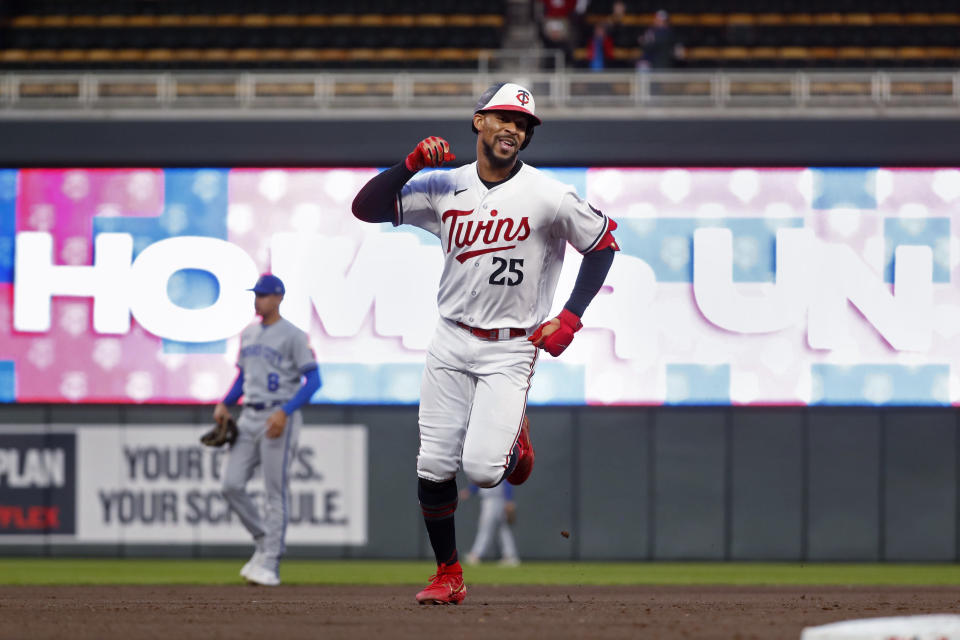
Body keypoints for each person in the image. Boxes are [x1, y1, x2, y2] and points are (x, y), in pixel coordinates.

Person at [351, 82, 618, 605]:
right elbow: (365, 209)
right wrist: (408, 165)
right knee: (432, 464)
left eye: (522, 125)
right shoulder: (444, 185)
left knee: (481, 472)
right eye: (503, 119)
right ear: (478, 122)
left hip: (511, 346)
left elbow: (604, 243)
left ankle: (517, 435)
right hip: (450, 338)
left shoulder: (548, 194)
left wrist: (570, 316)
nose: (512, 130)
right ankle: (449, 573)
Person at [213, 273, 321, 587]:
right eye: (256, 294)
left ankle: (271, 563)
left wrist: (285, 412)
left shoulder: (293, 335)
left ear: (278, 298)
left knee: (275, 493)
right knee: (231, 485)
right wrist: (225, 403)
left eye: (263, 295)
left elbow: (314, 381)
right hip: (248, 416)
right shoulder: (248, 335)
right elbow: (242, 378)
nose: (257, 299)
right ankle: (264, 541)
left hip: (278, 417)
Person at [462, 481, 520, 567]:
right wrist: (508, 499)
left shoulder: (495, 467)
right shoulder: (498, 468)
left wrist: (509, 500)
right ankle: (510, 556)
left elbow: (505, 482)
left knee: (485, 529)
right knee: (503, 530)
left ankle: (475, 555)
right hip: (499, 500)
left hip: (492, 501)